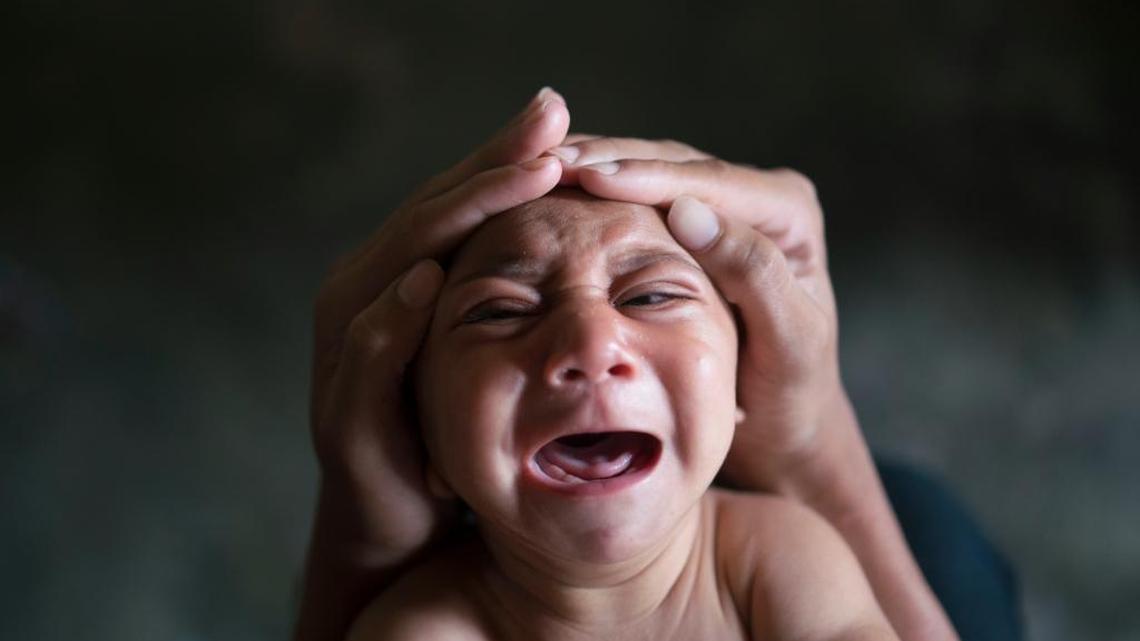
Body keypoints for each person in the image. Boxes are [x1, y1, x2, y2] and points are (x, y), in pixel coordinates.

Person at [293, 88, 963, 640]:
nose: (589, 347)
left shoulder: (778, 559)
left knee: (924, 509)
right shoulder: (426, 628)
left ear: (740, 389)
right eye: (499, 311)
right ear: (421, 441)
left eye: (652, 295)